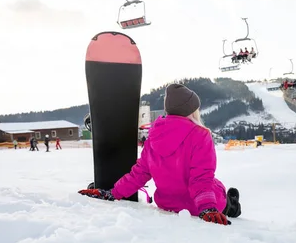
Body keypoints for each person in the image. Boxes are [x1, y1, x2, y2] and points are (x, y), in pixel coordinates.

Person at [78, 83, 241, 224]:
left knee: (212, 185)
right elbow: (201, 178)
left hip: (168, 204)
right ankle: (231, 206)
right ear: (192, 110)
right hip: (197, 206)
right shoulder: (200, 135)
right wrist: (207, 208)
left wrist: (113, 193)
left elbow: (139, 174)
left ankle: (228, 202)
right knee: (217, 187)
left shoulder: (154, 136)